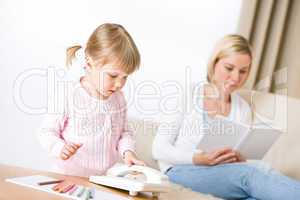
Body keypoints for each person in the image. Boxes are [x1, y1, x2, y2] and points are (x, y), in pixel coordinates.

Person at [152, 34, 300, 199]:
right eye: (229, 68)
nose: (236, 78)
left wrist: (239, 158)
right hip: (180, 170)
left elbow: (238, 159)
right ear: (215, 63)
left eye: (243, 71)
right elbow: (159, 149)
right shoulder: (188, 93)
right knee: (248, 176)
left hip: (222, 174)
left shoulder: (241, 107)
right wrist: (200, 158)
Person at [38, 23, 144, 178]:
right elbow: (46, 131)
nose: (119, 84)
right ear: (89, 64)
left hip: (104, 179)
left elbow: (124, 133)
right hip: (67, 177)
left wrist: (127, 152)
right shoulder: (69, 95)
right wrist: (59, 147)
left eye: (125, 77)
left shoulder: (118, 99)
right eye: (113, 76)